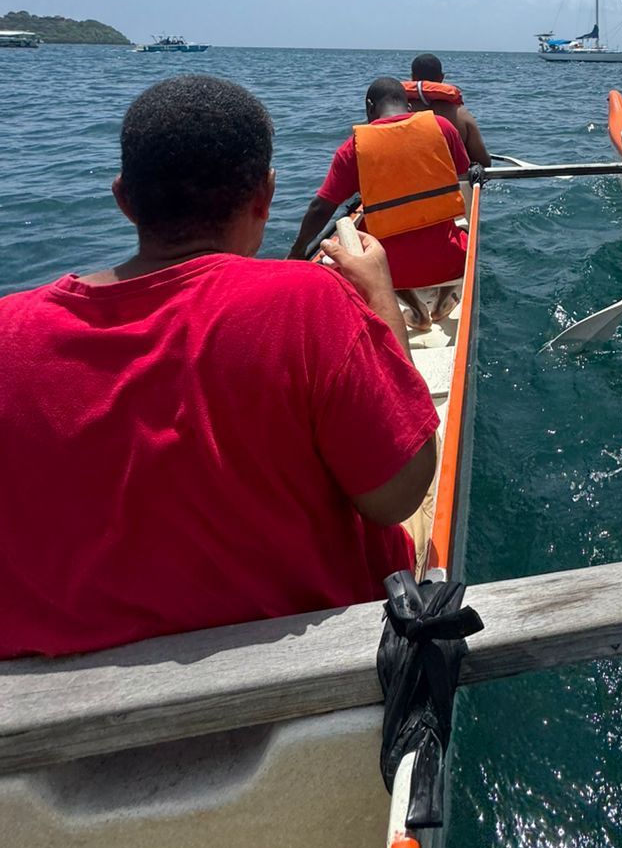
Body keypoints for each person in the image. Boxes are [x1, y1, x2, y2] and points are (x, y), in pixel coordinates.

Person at [0, 75, 438, 660]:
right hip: (290, 675)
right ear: (265, 196)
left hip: (49, 701)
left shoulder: (10, 332)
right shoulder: (307, 302)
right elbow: (399, 495)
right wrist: (379, 296)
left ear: (123, 198)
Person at [290, 76, 469, 332]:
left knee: (352, 239)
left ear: (369, 107)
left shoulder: (352, 148)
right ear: (408, 107)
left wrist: (297, 251)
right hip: (449, 262)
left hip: (387, 274)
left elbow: (321, 208)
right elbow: (462, 178)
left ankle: (411, 304)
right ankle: (445, 294)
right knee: (461, 228)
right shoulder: (442, 127)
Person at [404, 53, 490, 168]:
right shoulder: (461, 115)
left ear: (413, 78)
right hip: (452, 183)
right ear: (441, 78)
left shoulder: (400, 111)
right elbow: (484, 162)